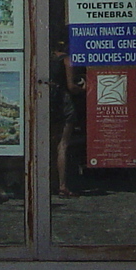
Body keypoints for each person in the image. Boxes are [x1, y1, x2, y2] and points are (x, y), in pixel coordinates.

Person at [52, 38, 85, 198]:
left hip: (47, 103)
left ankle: (47, 182)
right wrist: (83, 88)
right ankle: (62, 185)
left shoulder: (43, 60)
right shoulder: (66, 60)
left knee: (48, 144)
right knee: (63, 145)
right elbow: (71, 86)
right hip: (63, 103)